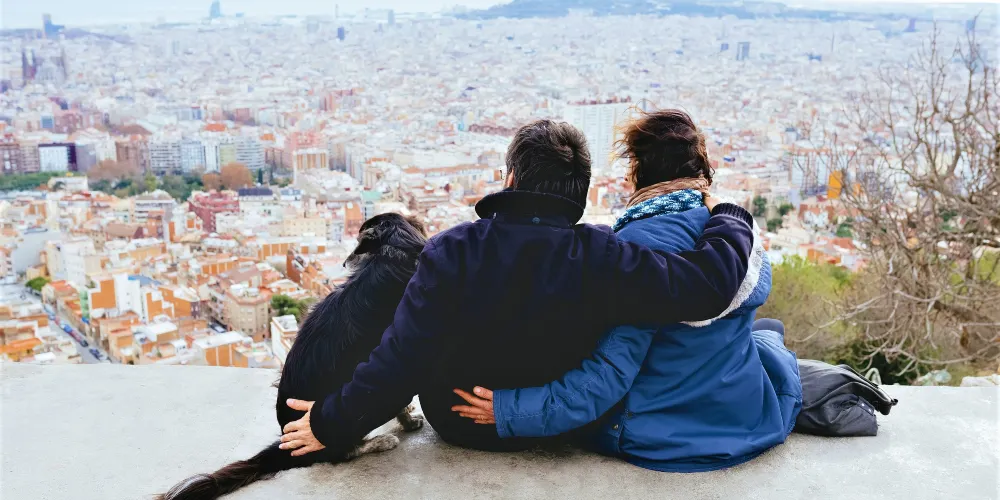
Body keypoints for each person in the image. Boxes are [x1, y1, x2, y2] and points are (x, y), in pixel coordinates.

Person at [278, 119, 757, 457]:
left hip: (458, 420)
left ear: (510, 179)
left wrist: (331, 424)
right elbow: (707, 286)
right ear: (580, 192)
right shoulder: (603, 254)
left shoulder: (452, 251)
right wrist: (730, 216)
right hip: (562, 430)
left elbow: (402, 358)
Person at [452, 110, 802, 472]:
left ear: (636, 170)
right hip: (746, 417)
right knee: (764, 334)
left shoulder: (635, 246)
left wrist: (510, 411)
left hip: (663, 434)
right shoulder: (735, 231)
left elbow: (608, 374)